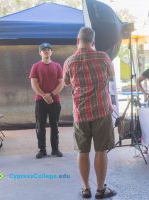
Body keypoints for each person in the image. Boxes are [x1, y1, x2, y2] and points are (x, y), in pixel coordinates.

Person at [63, 27, 116, 199]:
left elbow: (66, 83)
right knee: (101, 151)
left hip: (81, 113)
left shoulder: (70, 61)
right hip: (101, 111)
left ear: (77, 41)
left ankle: (86, 189)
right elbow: (112, 76)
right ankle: (101, 189)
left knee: (82, 151)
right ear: (93, 42)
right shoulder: (103, 57)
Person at [29, 43, 64, 159]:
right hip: (40, 101)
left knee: (55, 126)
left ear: (51, 52)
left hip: (55, 101)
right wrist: (44, 95)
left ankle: (55, 149)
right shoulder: (36, 66)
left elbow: (61, 83)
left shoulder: (58, 66)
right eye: (43, 50)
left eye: (48, 49)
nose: (46, 51)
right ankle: (42, 150)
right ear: (40, 53)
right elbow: (34, 84)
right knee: (41, 126)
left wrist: (52, 94)